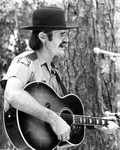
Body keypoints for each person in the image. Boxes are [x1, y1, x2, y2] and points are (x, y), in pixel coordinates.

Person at [0, 6, 119, 150]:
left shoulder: (54, 72)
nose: (67, 40)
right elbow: (11, 94)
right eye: (62, 34)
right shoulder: (26, 62)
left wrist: (99, 124)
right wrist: (53, 118)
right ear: (43, 37)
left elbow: (60, 128)